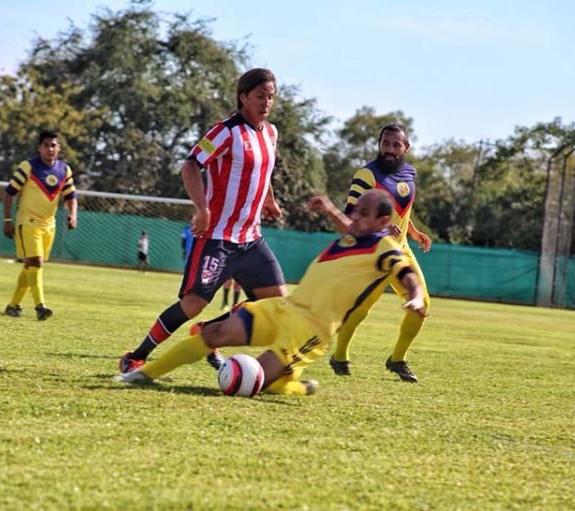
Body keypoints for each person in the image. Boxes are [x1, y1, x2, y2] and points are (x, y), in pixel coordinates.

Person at [117, 189, 426, 395]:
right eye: (356, 211)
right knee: (213, 334)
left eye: (364, 213)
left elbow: (405, 272)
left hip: (311, 331)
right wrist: (330, 209)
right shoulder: (356, 234)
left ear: (383, 220)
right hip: (285, 308)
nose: (355, 217)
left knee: (258, 383)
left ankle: (297, 387)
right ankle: (144, 375)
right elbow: (348, 227)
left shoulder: (386, 247)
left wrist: (414, 295)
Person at [119, 68, 287, 373]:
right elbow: (190, 165)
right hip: (217, 237)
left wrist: (269, 200)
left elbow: (262, 171)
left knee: (276, 301)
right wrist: (202, 208)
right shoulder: (224, 132)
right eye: (260, 96)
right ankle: (136, 356)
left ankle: (208, 329)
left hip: (251, 240)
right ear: (243, 97)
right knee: (193, 303)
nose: (266, 102)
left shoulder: (271, 133)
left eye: (271, 97)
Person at [309, 123, 431, 382]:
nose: (390, 149)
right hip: (374, 253)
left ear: (406, 147)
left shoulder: (410, 172)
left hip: (402, 251)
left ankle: (397, 359)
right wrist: (382, 230)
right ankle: (339, 356)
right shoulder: (366, 175)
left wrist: (412, 231)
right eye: (385, 143)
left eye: (396, 144)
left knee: (422, 304)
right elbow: (353, 217)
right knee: (361, 309)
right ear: (379, 144)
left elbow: (399, 210)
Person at [2, 130, 77, 320]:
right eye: (46, 145)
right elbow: (9, 192)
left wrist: (72, 215)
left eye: (53, 145)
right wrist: (7, 220)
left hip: (49, 225)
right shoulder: (28, 167)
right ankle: (40, 307)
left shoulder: (64, 170)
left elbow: (71, 196)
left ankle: (13, 306)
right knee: (36, 262)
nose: (50, 149)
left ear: (59, 148)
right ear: (39, 148)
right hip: (28, 222)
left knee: (30, 265)